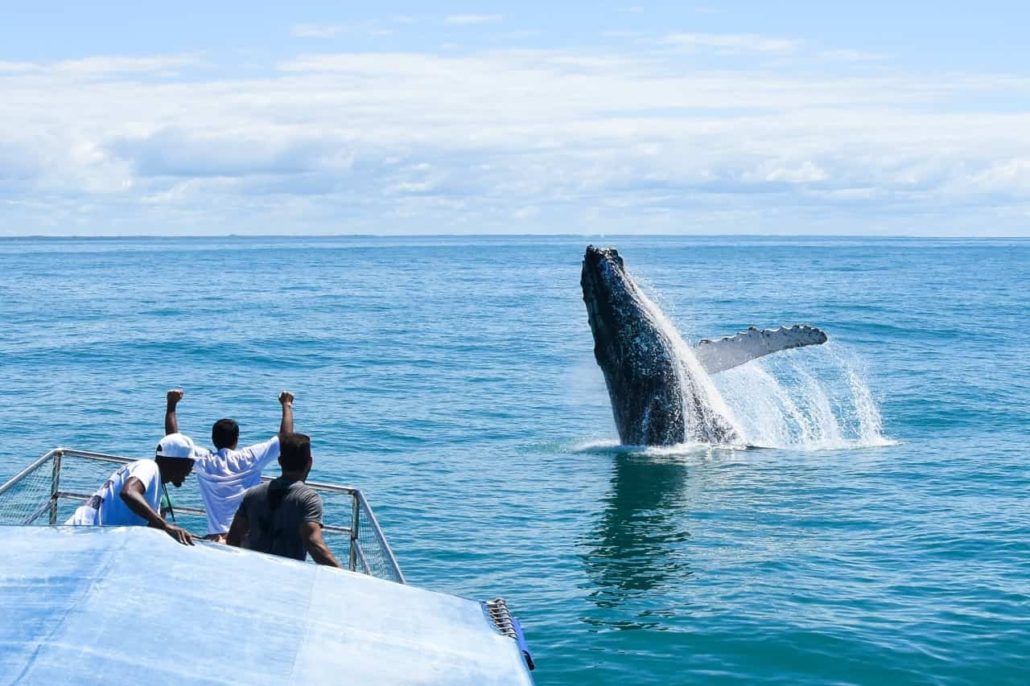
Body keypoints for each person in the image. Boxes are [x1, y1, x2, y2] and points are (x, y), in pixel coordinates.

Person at [164, 389, 295, 542]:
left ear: (213, 439)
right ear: (236, 438)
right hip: (249, 535)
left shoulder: (206, 461)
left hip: (217, 537)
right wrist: (286, 405)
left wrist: (171, 404)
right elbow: (285, 439)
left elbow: (174, 441)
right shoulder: (250, 457)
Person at [226, 432, 340, 567]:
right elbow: (313, 543)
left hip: (252, 570)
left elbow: (233, 539)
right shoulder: (309, 498)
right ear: (309, 462)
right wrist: (342, 573)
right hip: (287, 575)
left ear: (280, 461)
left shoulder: (253, 494)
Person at [65, 433, 196, 546]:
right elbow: (128, 492)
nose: (190, 470)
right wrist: (166, 526)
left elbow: (150, 526)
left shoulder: (155, 483)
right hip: (80, 532)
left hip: (94, 536)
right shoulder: (149, 467)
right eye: (190, 464)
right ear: (174, 462)